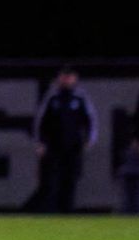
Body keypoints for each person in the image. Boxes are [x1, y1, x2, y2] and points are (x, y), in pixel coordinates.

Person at [33, 66, 97, 214]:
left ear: (75, 78)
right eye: (64, 76)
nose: (66, 79)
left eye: (69, 76)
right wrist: (40, 143)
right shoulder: (52, 97)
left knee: (70, 180)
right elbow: (41, 122)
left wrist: (89, 139)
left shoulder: (80, 98)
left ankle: (67, 212)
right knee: (51, 181)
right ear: (59, 78)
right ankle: (51, 212)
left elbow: (90, 120)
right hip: (53, 146)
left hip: (73, 146)